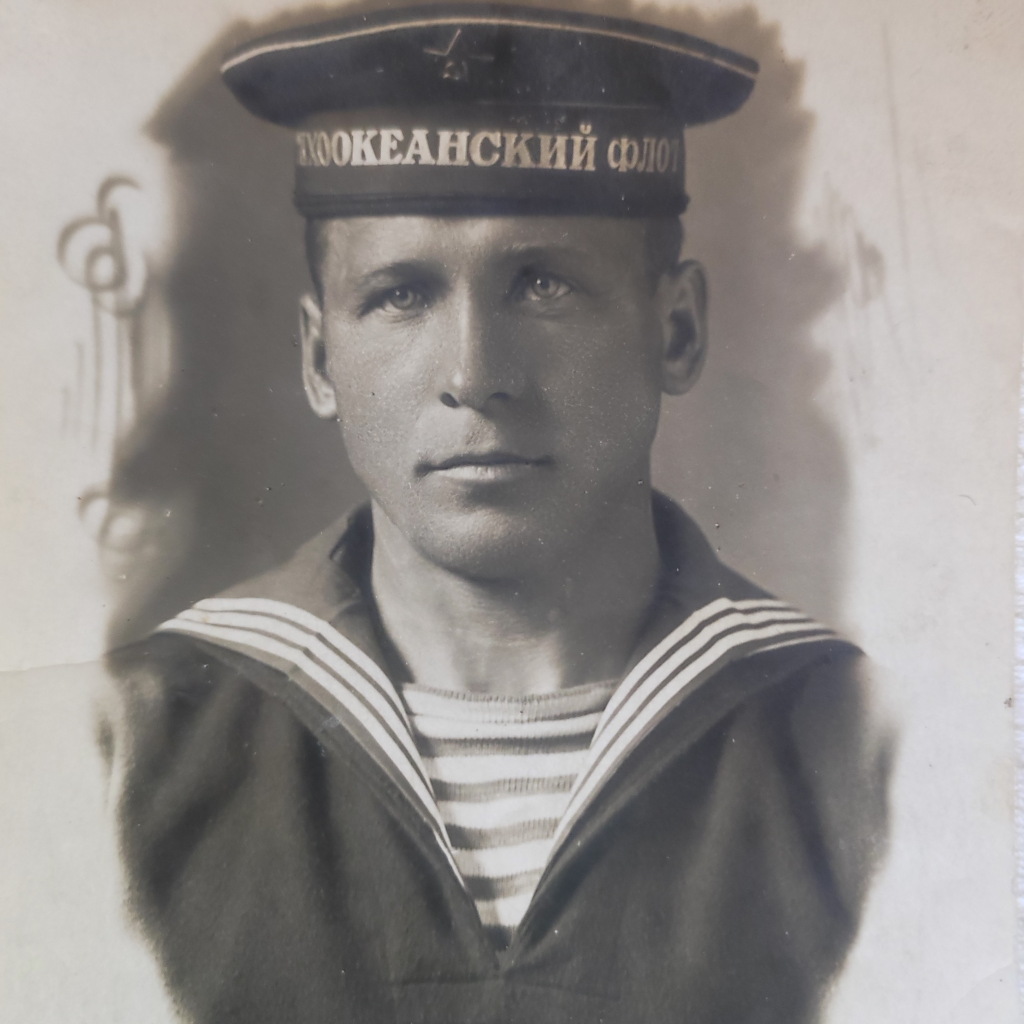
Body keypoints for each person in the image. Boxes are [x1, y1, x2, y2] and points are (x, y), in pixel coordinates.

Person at [104, 5, 891, 1023]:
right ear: (319, 358)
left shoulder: (861, 748)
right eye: (401, 296)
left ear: (677, 330)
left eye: (543, 284)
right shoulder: (135, 751)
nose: (475, 376)